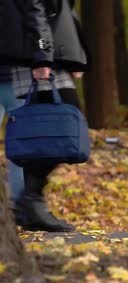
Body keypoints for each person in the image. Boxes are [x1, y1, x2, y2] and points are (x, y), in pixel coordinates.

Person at [0, 0, 89, 232]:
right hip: (33, 51)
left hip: (46, 49)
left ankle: (29, 202)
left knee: (58, 128)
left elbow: (63, 9)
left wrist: (76, 54)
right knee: (57, 127)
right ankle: (29, 201)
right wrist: (42, 54)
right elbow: (34, 5)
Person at [0, 66, 25, 211]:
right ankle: (18, 205)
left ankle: (18, 203)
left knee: (20, 145)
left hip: (16, 78)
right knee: (20, 144)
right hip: (17, 76)